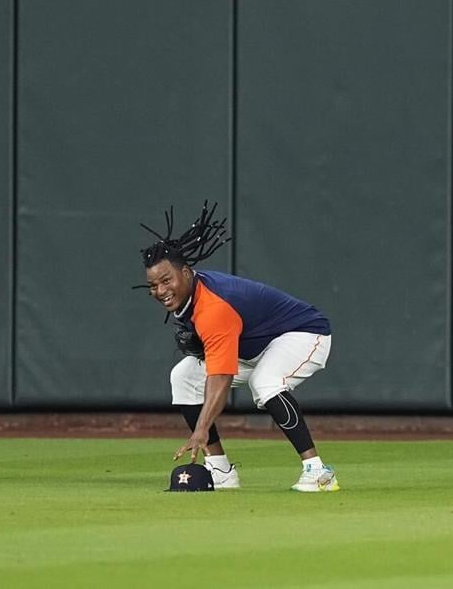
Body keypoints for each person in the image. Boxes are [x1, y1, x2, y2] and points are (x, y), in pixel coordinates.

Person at [136, 202, 338, 492]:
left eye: (166, 280)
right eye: (153, 285)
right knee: (184, 376)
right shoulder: (193, 298)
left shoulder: (213, 307)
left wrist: (201, 429)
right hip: (257, 347)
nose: (160, 290)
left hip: (304, 334)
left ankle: (318, 472)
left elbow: (221, 376)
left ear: (187, 272)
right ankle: (219, 470)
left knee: (265, 381)